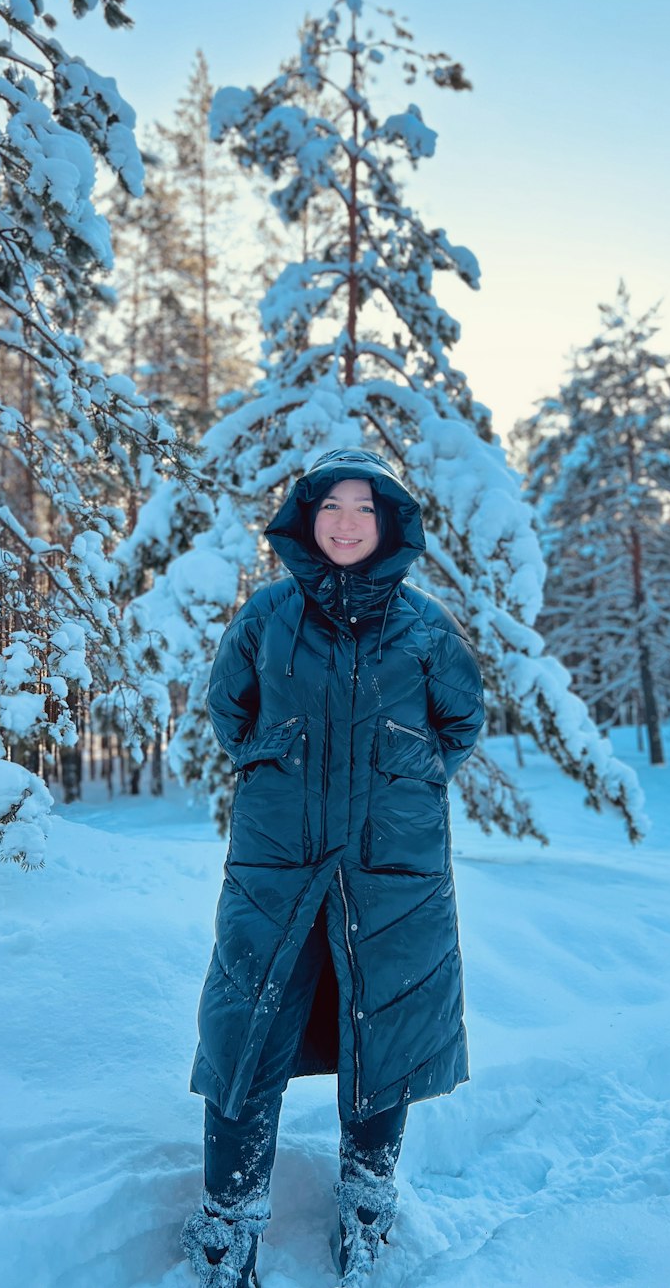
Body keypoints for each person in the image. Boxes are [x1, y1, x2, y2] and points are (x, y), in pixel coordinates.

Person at [181, 448, 485, 1287]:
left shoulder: (425, 627)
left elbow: (461, 721)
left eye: (365, 507)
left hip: (394, 868)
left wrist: (405, 770)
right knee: (247, 1032)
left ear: (387, 523)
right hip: (276, 863)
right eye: (331, 506)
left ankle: (366, 1206)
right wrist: (270, 757)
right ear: (306, 519)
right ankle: (228, 1221)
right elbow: (228, 705)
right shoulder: (268, 617)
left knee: (384, 1029)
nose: (347, 521)